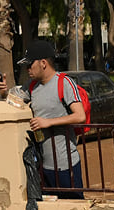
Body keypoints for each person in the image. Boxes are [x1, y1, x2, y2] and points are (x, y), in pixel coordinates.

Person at [20, 39, 85, 198]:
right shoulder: (31, 86)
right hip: (44, 167)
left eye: (30, 64)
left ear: (43, 63)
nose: (27, 69)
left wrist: (48, 122)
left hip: (66, 165)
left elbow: (80, 115)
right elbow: (13, 100)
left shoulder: (64, 82)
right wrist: (2, 92)